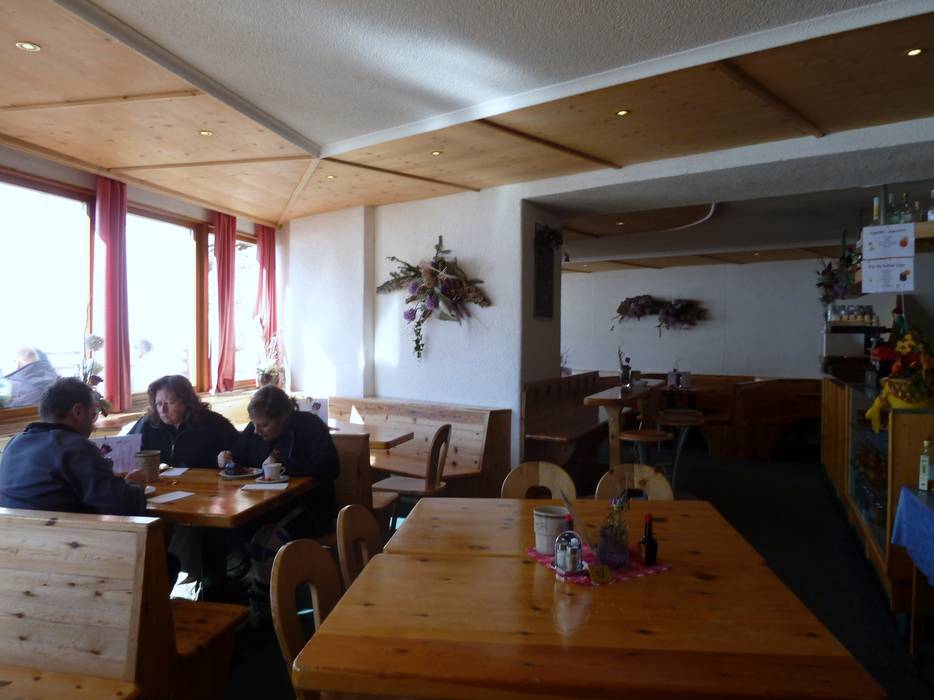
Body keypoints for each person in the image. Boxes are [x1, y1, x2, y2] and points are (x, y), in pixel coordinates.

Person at [0, 377, 147, 515]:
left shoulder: (14, 443)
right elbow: (123, 506)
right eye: (93, 415)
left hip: (13, 532)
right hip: (67, 533)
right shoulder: (75, 446)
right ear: (78, 411)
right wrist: (136, 484)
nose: (93, 425)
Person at [221, 385, 340, 537]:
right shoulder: (254, 429)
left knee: (240, 530)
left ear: (283, 418)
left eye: (264, 425)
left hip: (306, 509)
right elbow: (238, 457)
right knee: (222, 529)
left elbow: (330, 467)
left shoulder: (310, 425)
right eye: (253, 423)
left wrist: (282, 464)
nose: (256, 430)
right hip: (259, 504)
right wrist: (227, 460)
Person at [129, 375, 239, 468]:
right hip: (159, 484)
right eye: (159, 404)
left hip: (203, 484)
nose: (163, 409)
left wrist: (228, 460)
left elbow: (240, 454)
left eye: (170, 402)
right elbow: (125, 451)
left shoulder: (214, 423)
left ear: (186, 401)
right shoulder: (148, 423)